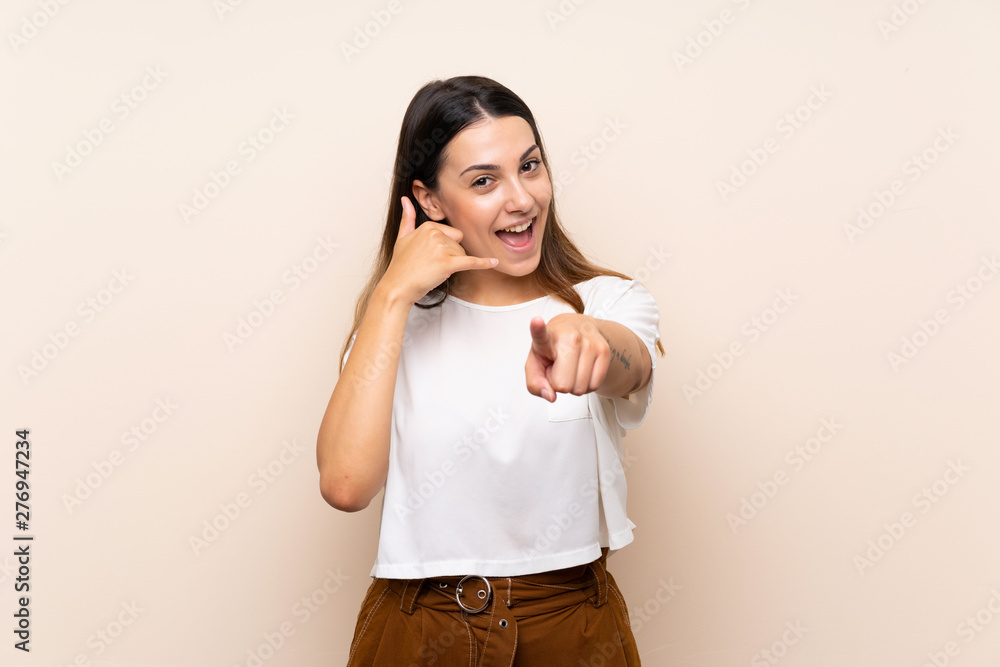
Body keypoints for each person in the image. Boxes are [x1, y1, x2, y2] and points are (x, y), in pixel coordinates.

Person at [317, 75, 663, 666]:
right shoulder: (392, 328)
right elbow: (346, 486)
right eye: (484, 181)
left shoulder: (604, 302)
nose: (521, 198)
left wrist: (589, 339)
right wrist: (393, 296)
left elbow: (627, 365)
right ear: (429, 200)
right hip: (419, 630)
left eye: (530, 167)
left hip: (571, 626)